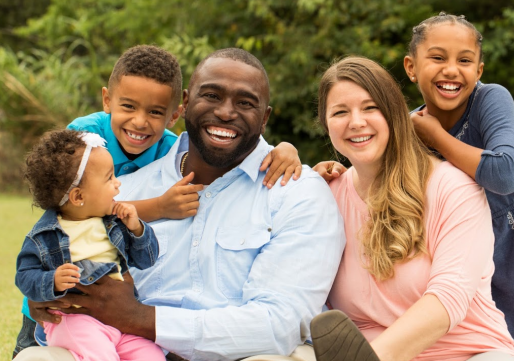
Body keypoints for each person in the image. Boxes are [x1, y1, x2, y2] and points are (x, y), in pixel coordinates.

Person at [15, 48, 345, 361]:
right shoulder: (119, 190)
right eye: (212, 95)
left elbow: (281, 323)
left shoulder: (296, 192)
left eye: (245, 102)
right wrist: (49, 295)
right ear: (185, 103)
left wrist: (140, 318)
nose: (226, 112)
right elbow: (58, 252)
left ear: (265, 118)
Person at [309, 56, 514, 361]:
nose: (356, 122)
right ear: (326, 124)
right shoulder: (324, 195)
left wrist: (370, 358)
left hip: (467, 353)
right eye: (340, 112)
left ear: (395, 113)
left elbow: (447, 299)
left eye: (370, 108)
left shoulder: (453, 189)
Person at [402, 13, 514, 361]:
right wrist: (314, 163)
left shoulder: (490, 100)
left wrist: (436, 137)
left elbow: (505, 174)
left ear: (478, 71)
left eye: (464, 60)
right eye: (437, 57)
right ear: (411, 67)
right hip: (466, 271)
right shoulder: (407, 130)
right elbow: (368, 172)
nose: (451, 69)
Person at [15, 129, 164, 361]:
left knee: (151, 355)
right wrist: (51, 281)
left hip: (118, 320)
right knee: (101, 356)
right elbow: (24, 277)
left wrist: (137, 229)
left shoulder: (115, 223)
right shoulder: (43, 237)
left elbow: (147, 260)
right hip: (74, 321)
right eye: (109, 178)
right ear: (78, 197)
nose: (118, 184)